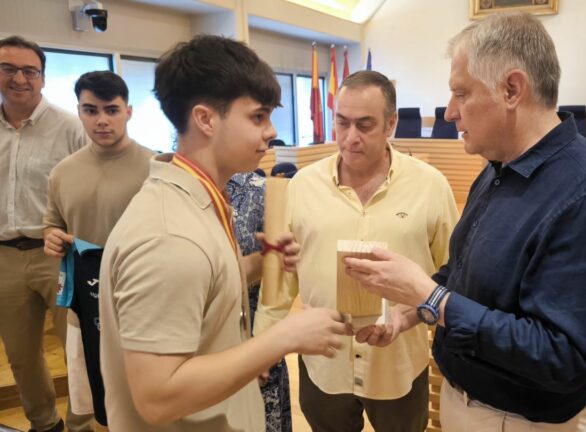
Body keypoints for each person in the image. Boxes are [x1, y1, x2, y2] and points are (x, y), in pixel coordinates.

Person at [344, 13, 586, 431]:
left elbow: (563, 356)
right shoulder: (497, 165)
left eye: (461, 93)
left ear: (511, 89)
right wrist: (409, 311)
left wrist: (431, 298)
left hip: (519, 420)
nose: (449, 112)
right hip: (466, 401)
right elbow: (463, 274)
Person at [98, 35, 349, 431]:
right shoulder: (170, 238)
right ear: (206, 119)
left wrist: (255, 264)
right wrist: (282, 337)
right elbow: (158, 396)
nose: (271, 132)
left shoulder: (196, 202)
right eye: (258, 117)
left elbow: (202, 289)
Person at [255, 70, 459, 432]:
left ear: (391, 123)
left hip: (398, 365)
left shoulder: (430, 186)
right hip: (323, 362)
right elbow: (281, 279)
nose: (350, 138)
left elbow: (452, 274)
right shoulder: (302, 186)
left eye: (365, 125)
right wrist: (263, 345)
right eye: (342, 123)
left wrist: (409, 315)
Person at [42, 70, 157, 426]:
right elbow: (53, 224)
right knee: (92, 396)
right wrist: (52, 236)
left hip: (146, 303)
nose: (101, 120)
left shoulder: (157, 168)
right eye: (91, 110)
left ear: (129, 111)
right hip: (85, 307)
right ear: (79, 111)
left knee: (146, 399)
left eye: (111, 109)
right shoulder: (63, 172)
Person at [0, 35, 90, 432]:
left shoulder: (70, 128)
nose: (19, 78)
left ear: (42, 78)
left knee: (76, 348)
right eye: (8, 69)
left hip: (57, 255)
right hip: (4, 256)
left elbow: (91, 184)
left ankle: (83, 422)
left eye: (29, 70)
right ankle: (45, 424)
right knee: (21, 354)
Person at [226, 171, 293, 432]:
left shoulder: (262, 190)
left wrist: (265, 346)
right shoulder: (168, 191)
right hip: (194, 353)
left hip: (257, 349)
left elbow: (277, 285)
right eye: (257, 125)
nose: (267, 133)